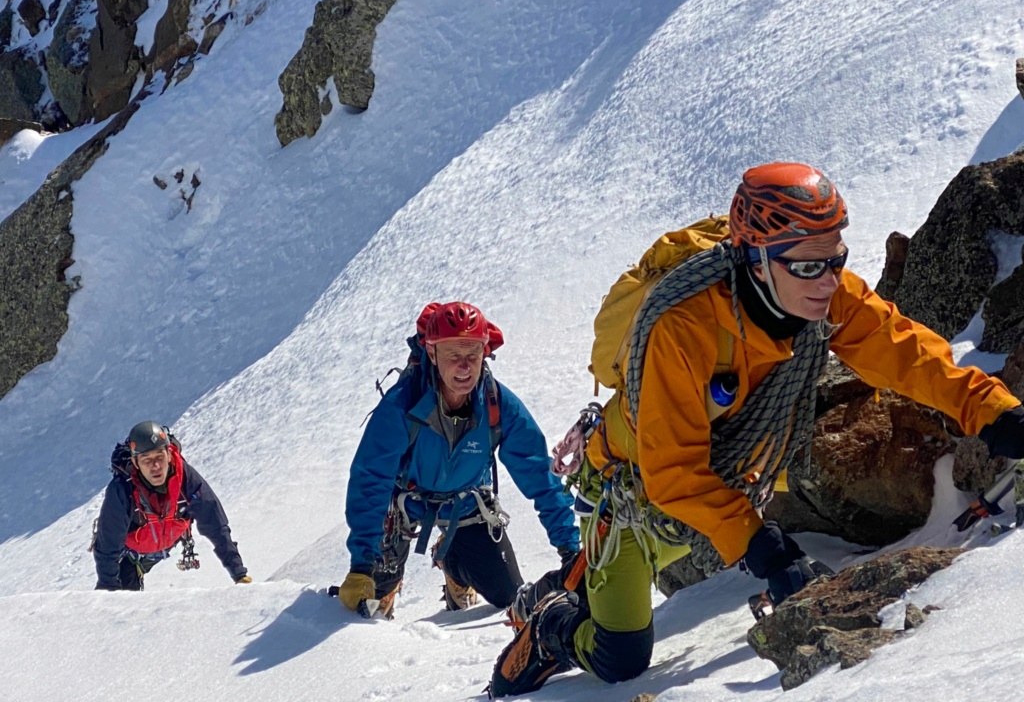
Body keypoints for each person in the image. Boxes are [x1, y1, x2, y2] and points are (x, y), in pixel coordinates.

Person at [489, 162, 1024, 696]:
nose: (830, 279)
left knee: (624, 588)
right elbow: (672, 471)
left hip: (724, 484)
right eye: (809, 266)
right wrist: (761, 545)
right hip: (637, 498)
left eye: (836, 259)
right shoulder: (683, 325)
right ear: (756, 261)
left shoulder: (817, 288)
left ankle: (576, 587)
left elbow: (902, 350)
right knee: (621, 656)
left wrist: (992, 410)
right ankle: (553, 627)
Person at [338, 301, 579, 620]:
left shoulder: (497, 404)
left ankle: (452, 563)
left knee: (506, 593)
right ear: (433, 354)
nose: (464, 367)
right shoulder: (402, 405)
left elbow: (540, 477)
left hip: (465, 506)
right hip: (401, 508)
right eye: (453, 356)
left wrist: (570, 550)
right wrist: (361, 567)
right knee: (368, 604)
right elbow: (371, 481)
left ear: (485, 354)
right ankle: (387, 583)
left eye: (473, 355)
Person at [93, 421, 251, 590]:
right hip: (131, 556)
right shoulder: (122, 489)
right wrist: (108, 593)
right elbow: (108, 546)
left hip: (163, 540)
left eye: (160, 457)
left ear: (169, 454)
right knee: (124, 600)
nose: (155, 466)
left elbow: (215, 525)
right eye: (147, 460)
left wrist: (238, 573)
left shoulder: (185, 477)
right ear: (135, 462)